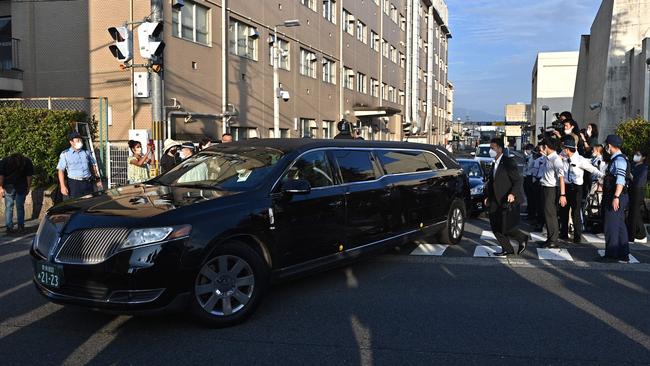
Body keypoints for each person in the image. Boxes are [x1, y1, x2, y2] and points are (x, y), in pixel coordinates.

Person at [483, 138, 529, 256]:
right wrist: (488, 197)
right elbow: (492, 182)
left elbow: (517, 181)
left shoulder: (508, 162)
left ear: (499, 149)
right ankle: (507, 249)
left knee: (507, 227)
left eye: (492, 148)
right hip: (495, 199)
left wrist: (512, 193)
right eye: (490, 148)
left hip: (507, 200)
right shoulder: (494, 163)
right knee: (495, 226)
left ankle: (522, 238)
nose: (490, 150)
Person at [558, 138, 604, 244]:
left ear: (568, 149)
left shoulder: (579, 159)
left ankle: (577, 236)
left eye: (564, 148)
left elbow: (592, 169)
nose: (563, 150)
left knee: (575, 212)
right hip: (565, 186)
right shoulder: (563, 156)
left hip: (576, 188)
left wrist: (603, 176)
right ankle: (564, 233)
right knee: (563, 210)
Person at [598, 135, 631, 262]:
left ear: (610, 146)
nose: (606, 147)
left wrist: (616, 196)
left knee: (611, 225)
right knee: (620, 225)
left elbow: (620, 180)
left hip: (616, 195)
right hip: (619, 195)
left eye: (607, 145)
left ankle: (611, 255)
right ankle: (623, 253)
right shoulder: (620, 159)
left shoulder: (619, 160)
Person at [538, 138, 566, 248]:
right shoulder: (548, 158)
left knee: (551, 214)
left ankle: (553, 240)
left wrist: (562, 194)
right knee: (546, 214)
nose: (542, 148)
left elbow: (561, 178)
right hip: (545, 187)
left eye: (543, 146)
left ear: (547, 146)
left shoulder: (556, 159)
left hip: (551, 189)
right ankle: (550, 238)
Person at [57, 131, 102, 198]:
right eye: (77, 140)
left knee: (89, 203)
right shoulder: (65, 154)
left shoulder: (86, 153)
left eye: (80, 140)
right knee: (77, 205)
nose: (80, 142)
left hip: (88, 182)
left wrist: (98, 180)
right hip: (74, 184)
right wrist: (63, 186)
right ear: (71, 142)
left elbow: (93, 166)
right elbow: (61, 170)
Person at [0, 153, 33, 233]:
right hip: (21, 186)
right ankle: (20, 226)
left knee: (9, 206)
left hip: (9, 186)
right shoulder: (26, 161)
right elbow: (29, 177)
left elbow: (1, 176)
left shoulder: (5, 161)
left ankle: (9, 227)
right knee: (20, 206)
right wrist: (28, 187)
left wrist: (1, 187)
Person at [627, 150, 648, 243]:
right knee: (633, 213)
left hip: (638, 191)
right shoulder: (634, 166)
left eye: (638, 155)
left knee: (635, 213)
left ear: (643, 157)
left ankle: (639, 235)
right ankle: (638, 234)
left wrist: (630, 175)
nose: (635, 156)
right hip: (631, 190)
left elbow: (638, 181)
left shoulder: (644, 168)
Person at [522, 143, 536, 219]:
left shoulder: (533, 158)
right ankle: (529, 210)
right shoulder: (527, 157)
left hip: (530, 177)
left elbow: (531, 168)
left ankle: (531, 213)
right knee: (528, 195)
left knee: (531, 197)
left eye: (527, 149)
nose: (526, 151)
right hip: (526, 177)